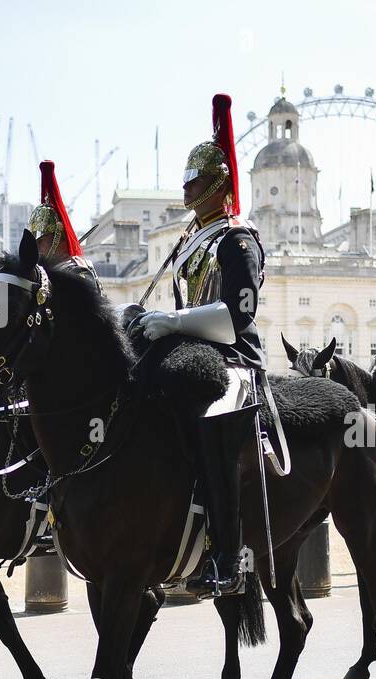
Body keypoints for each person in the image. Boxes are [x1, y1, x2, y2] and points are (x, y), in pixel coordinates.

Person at [127, 93, 266, 596]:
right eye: (187, 179)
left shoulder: (238, 240)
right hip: (193, 352)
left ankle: (228, 557)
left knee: (212, 428)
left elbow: (236, 315)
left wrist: (174, 321)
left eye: (197, 179)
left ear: (219, 184)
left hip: (233, 358)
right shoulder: (193, 241)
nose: (187, 187)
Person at [27, 160, 100, 290]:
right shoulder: (40, 273)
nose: (36, 247)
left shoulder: (76, 271)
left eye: (42, 240)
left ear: (59, 239)